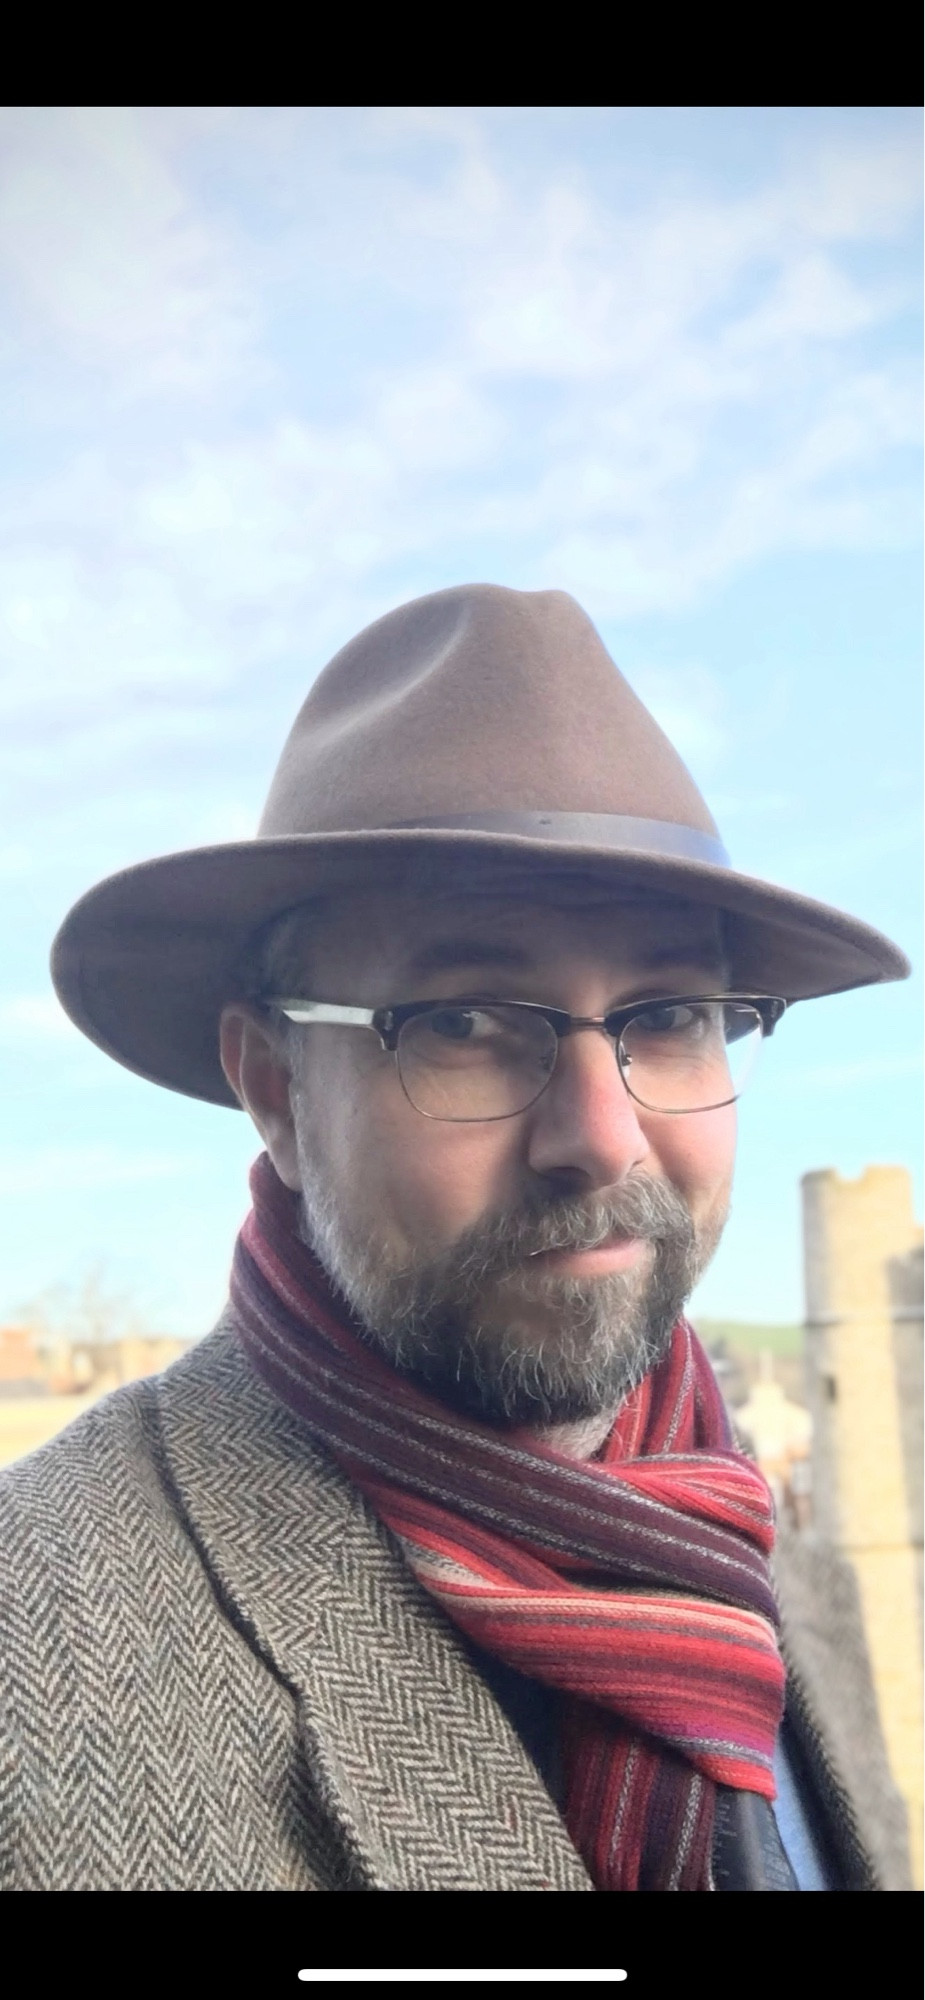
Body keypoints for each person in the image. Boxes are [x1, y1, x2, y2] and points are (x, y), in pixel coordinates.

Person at [0, 585, 912, 1893]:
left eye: (668, 1013)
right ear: (274, 1090)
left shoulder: (751, 1549)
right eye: (467, 1022)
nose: (600, 1136)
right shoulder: (34, 1659)